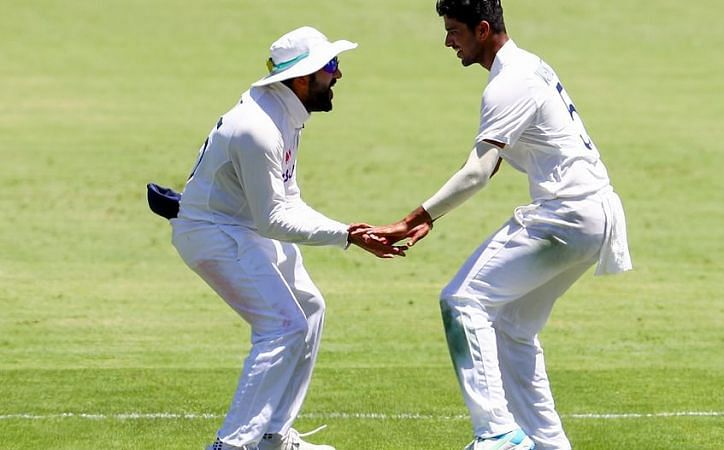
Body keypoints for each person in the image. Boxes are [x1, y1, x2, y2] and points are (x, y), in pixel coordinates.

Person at [360, 1, 633, 449]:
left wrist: (413, 219)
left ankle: (498, 433)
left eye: (454, 31)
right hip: (593, 215)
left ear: (482, 30)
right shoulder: (529, 67)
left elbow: (478, 172)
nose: (448, 41)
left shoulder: (509, 83)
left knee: (462, 301)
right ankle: (548, 445)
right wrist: (434, 216)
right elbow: (502, 155)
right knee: (512, 327)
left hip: (566, 215)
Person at [169, 26, 404, 450]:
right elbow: (275, 218)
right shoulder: (258, 127)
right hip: (213, 232)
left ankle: (272, 437)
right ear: (302, 79)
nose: (339, 75)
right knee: (282, 326)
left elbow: (286, 199)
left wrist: (349, 232)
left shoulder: (285, 113)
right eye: (330, 67)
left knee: (310, 309)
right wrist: (348, 235)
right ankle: (232, 444)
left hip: (243, 226)